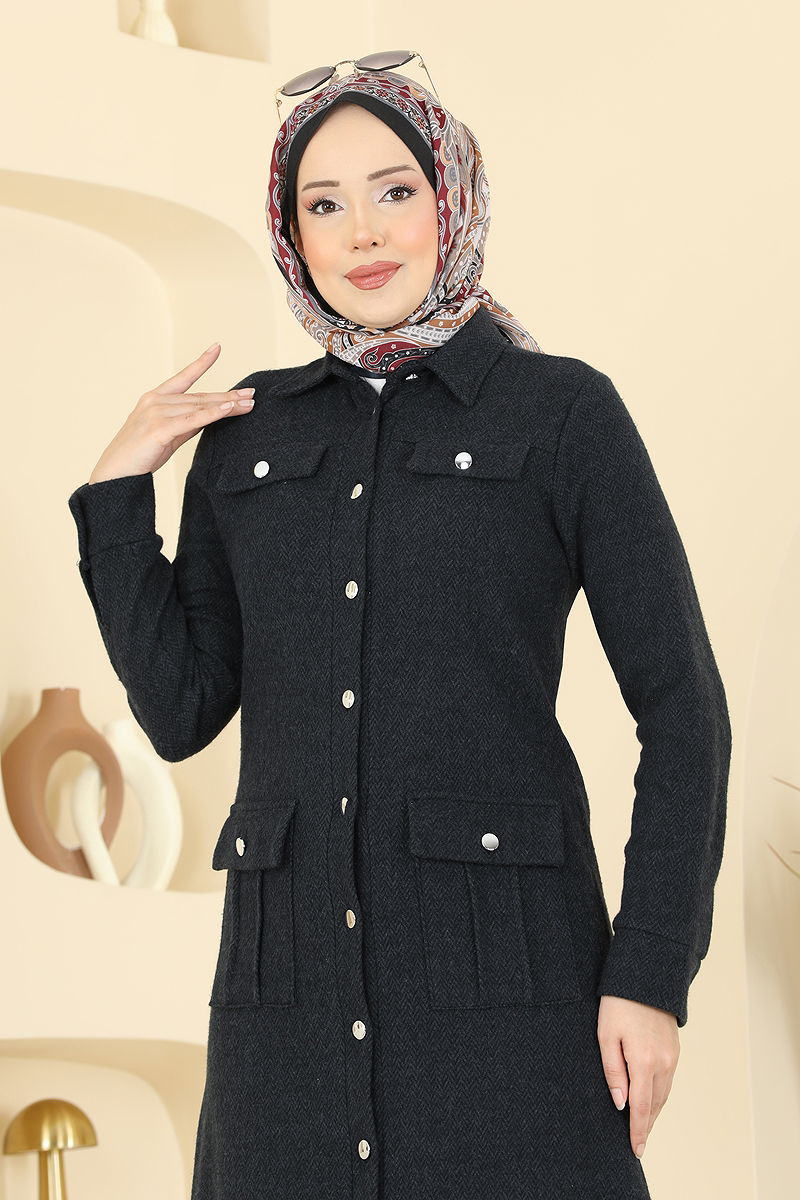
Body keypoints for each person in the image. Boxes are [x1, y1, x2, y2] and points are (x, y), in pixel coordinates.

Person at [67, 61, 732, 1200]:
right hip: (282, 1012)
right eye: (322, 204)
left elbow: (683, 713)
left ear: (450, 197)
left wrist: (650, 973)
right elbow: (180, 715)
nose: (362, 233)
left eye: (394, 191)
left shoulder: (561, 412)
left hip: (511, 992)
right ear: (292, 236)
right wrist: (117, 495)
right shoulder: (247, 437)